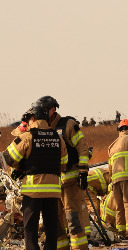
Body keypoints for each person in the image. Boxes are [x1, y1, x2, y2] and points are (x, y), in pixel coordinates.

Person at [2, 104, 68, 250]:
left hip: (33, 191)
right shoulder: (58, 138)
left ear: (33, 118)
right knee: (51, 229)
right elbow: (63, 164)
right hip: (53, 191)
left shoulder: (27, 137)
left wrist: (21, 167)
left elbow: (8, 158)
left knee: (30, 229)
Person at [35, 96, 90, 249]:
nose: (43, 113)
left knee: (73, 217)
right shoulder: (42, 128)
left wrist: (83, 172)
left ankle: (79, 247)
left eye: (45, 110)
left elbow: (82, 148)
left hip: (70, 180)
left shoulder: (68, 125)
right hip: (52, 183)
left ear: (53, 109)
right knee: (55, 220)